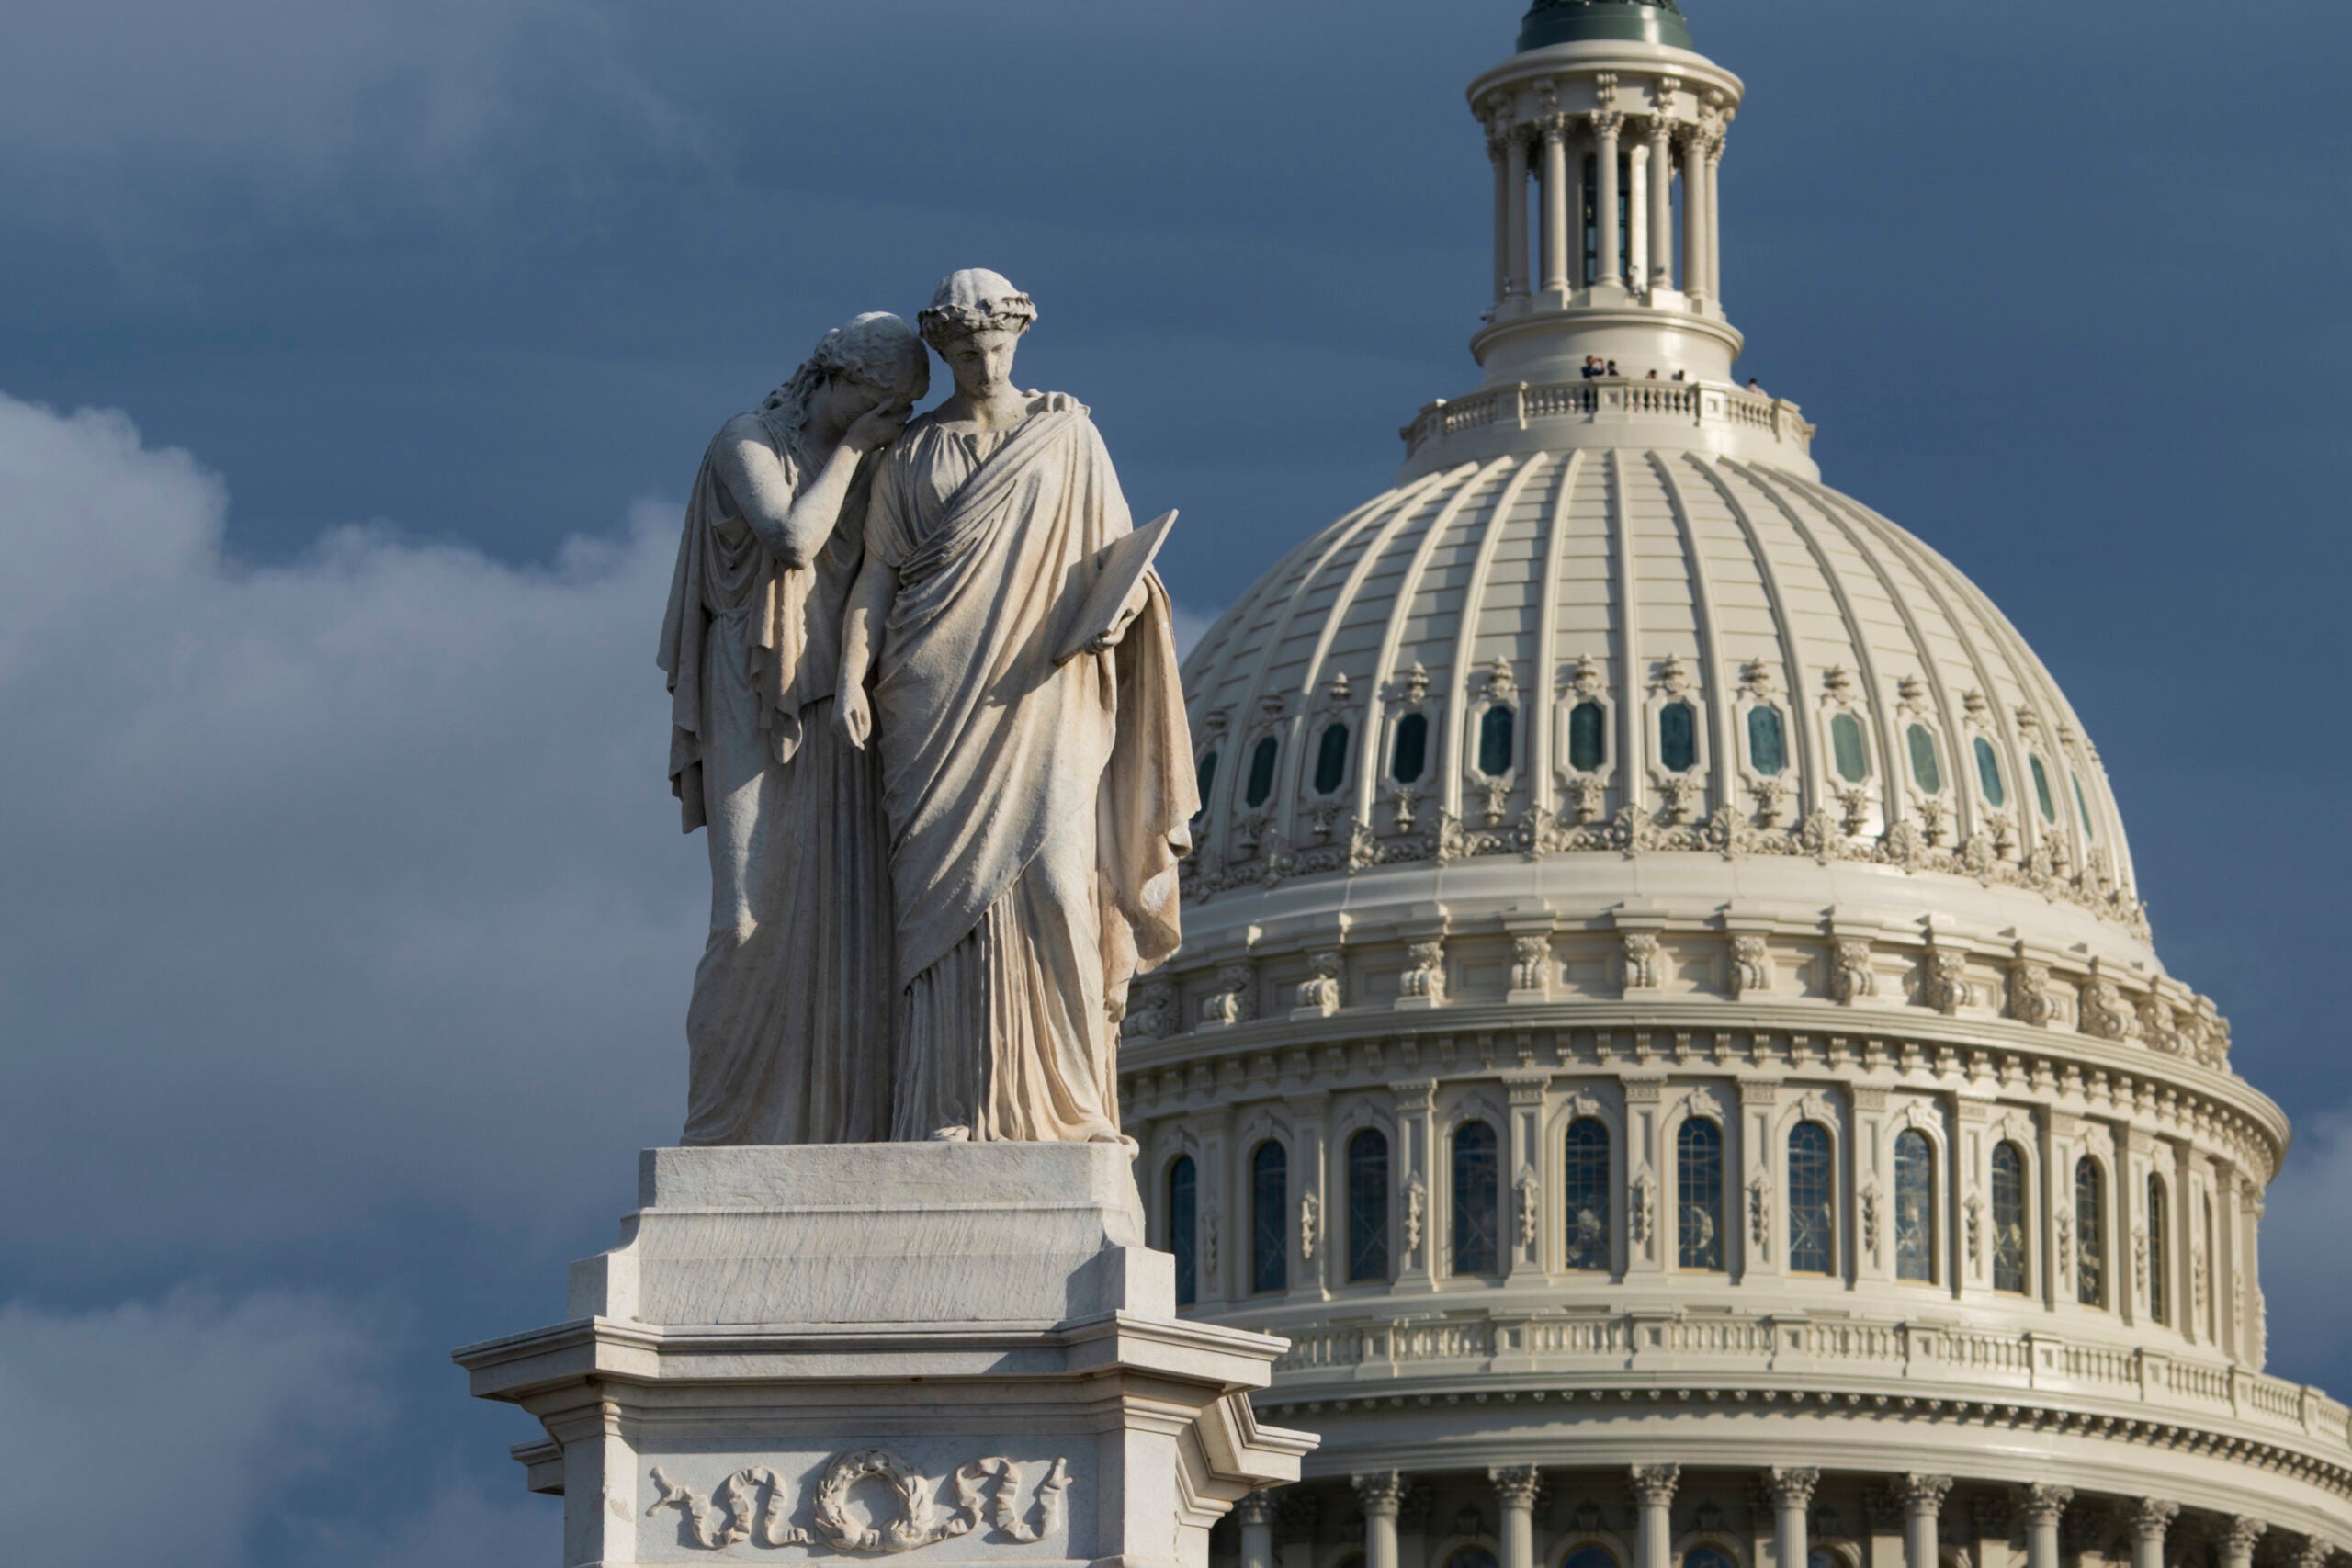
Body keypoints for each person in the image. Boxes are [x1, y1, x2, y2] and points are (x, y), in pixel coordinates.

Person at [837, 270, 1196, 1145]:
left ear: (1020, 339)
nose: (983, 363)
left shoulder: (1070, 437)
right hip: (931, 700)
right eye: (964, 351)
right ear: (942, 352)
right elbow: (875, 578)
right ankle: (946, 1107)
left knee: (1057, 886)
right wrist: (850, 675)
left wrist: (1123, 610)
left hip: (1047, 693)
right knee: (939, 910)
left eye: (995, 346)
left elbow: (1127, 564)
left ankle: (1070, 1106)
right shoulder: (912, 455)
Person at [658, 312, 927, 1145]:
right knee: (745, 914)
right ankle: (724, 1129)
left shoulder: (880, 460)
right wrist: (853, 451)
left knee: (843, 925)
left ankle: (832, 1127)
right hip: (749, 683)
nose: (890, 423)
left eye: (901, 411)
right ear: (836, 379)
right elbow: (792, 537)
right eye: (880, 402)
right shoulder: (747, 440)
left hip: (836, 698)